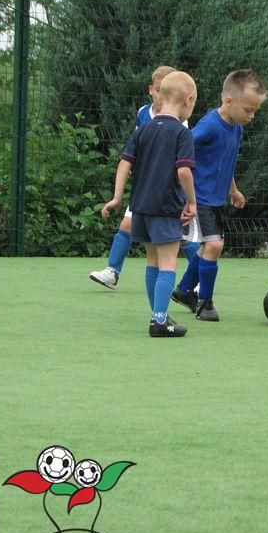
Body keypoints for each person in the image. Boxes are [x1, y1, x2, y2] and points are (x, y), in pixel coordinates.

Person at [100, 71, 198, 337]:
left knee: (152, 260)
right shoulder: (182, 133)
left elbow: (124, 163)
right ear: (188, 100)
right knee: (168, 262)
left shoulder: (143, 129)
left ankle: (158, 314)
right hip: (166, 207)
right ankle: (159, 321)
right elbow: (183, 171)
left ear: (161, 95)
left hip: (140, 206)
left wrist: (117, 197)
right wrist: (191, 201)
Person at [170, 69, 267, 321]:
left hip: (215, 199)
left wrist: (233, 189)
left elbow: (227, 160)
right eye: (248, 110)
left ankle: (183, 291)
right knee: (213, 245)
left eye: (255, 111)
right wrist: (181, 186)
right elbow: (184, 145)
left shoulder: (237, 129)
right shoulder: (210, 125)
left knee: (208, 247)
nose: (252, 116)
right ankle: (205, 303)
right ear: (229, 100)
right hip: (199, 197)